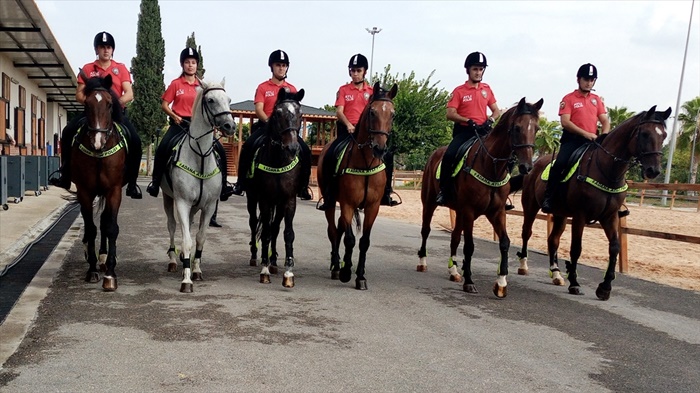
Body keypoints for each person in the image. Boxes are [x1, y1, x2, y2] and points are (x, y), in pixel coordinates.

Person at [50, 31, 143, 199]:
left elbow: (129, 93)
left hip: (115, 114)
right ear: (96, 50)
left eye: (108, 47)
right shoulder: (87, 69)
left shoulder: (120, 68)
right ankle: (65, 174)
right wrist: (93, 103)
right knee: (68, 131)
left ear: (112, 50)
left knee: (135, 140)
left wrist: (115, 104)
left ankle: (132, 183)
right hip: (92, 114)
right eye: (102, 47)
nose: (105, 50)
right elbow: (79, 94)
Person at [146, 47, 234, 201]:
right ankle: (155, 182)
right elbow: (165, 105)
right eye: (187, 62)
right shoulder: (176, 84)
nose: (190, 65)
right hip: (179, 124)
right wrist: (174, 115)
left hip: (199, 126)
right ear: (183, 65)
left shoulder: (204, 87)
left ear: (197, 65)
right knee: (163, 148)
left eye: (193, 62)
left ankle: (224, 184)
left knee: (219, 149)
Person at [317, 53, 398, 211]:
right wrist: (348, 124)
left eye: (358, 70)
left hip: (367, 132)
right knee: (331, 153)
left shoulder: (372, 92)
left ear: (364, 72)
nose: (355, 73)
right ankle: (328, 194)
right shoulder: (343, 90)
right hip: (347, 130)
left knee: (387, 155)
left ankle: (386, 193)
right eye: (353, 70)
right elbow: (339, 111)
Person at [231, 49, 312, 200]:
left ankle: (303, 187)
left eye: (283, 65)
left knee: (305, 150)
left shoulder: (291, 89)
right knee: (248, 146)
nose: (281, 68)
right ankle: (241, 183)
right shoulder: (263, 87)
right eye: (278, 65)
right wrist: (269, 123)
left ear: (287, 67)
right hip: (266, 128)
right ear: (272, 67)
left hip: (286, 131)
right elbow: (259, 109)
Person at [541, 63, 610, 213]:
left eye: (592, 80)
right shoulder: (569, 98)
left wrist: (604, 136)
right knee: (560, 164)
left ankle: (613, 202)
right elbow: (565, 122)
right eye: (586, 79)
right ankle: (549, 197)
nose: (589, 82)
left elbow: (605, 120)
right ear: (578, 79)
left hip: (592, 141)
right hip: (572, 141)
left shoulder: (596, 100)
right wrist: (585, 134)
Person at [436, 51, 501, 206]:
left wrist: (490, 120)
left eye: (481, 69)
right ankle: (444, 191)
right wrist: (467, 120)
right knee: (450, 155)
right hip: (465, 131)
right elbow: (450, 114)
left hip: (483, 131)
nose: (478, 72)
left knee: (503, 154)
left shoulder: (487, 89)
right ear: (468, 70)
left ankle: (501, 191)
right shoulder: (459, 91)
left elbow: (497, 111)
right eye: (475, 69)